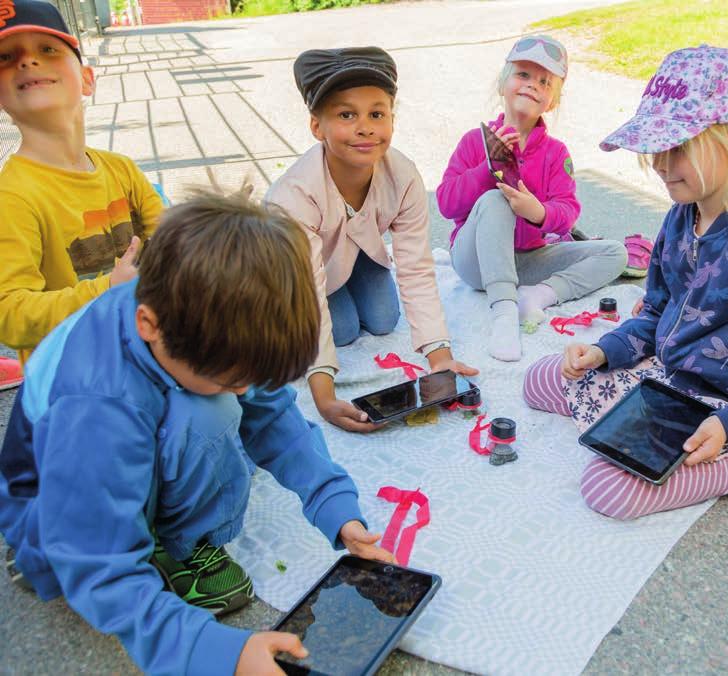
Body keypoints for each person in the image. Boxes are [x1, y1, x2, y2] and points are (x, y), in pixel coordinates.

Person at [0, 189, 395, 675]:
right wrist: (219, 652)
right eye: (233, 378)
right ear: (149, 325)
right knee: (212, 416)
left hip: (116, 452)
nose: (247, 389)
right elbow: (97, 562)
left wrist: (337, 512)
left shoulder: (193, 314)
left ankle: (169, 523)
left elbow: (273, 416)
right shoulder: (97, 406)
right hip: (55, 519)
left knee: (220, 408)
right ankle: (171, 548)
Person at [523, 46, 728, 543]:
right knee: (541, 381)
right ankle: (643, 414)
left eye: (678, 147)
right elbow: (656, 312)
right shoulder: (683, 212)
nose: (659, 164)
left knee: (609, 489)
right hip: (670, 378)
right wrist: (605, 351)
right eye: (656, 147)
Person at [266, 46, 477, 432]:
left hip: (355, 252)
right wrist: (325, 395)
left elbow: (415, 267)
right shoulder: (291, 197)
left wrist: (439, 355)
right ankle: (340, 298)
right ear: (317, 126)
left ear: (392, 120)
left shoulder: (404, 175)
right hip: (298, 275)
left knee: (383, 320)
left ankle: (350, 280)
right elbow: (307, 293)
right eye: (347, 115)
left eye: (376, 114)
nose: (365, 127)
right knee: (341, 332)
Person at [436, 34, 627, 362]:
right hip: (475, 263)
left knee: (615, 253)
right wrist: (487, 168)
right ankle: (505, 313)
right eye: (523, 75)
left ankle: (537, 295)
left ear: (552, 100)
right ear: (502, 83)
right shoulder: (474, 142)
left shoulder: (555, 153)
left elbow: (567, 210)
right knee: (497, 201)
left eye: (545, 81)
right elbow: (446, 203)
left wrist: (538, 212)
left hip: (525, 261)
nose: (532, 85)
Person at [0, 0, 163, 364]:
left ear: (87, 79)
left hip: (142, 353)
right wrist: (106, 291)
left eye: (47, 49)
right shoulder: (11, 197)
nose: (27, 61)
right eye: (5, 58)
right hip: (72, 380)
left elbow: (174, 243)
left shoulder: (122, 170)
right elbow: (8, 313)